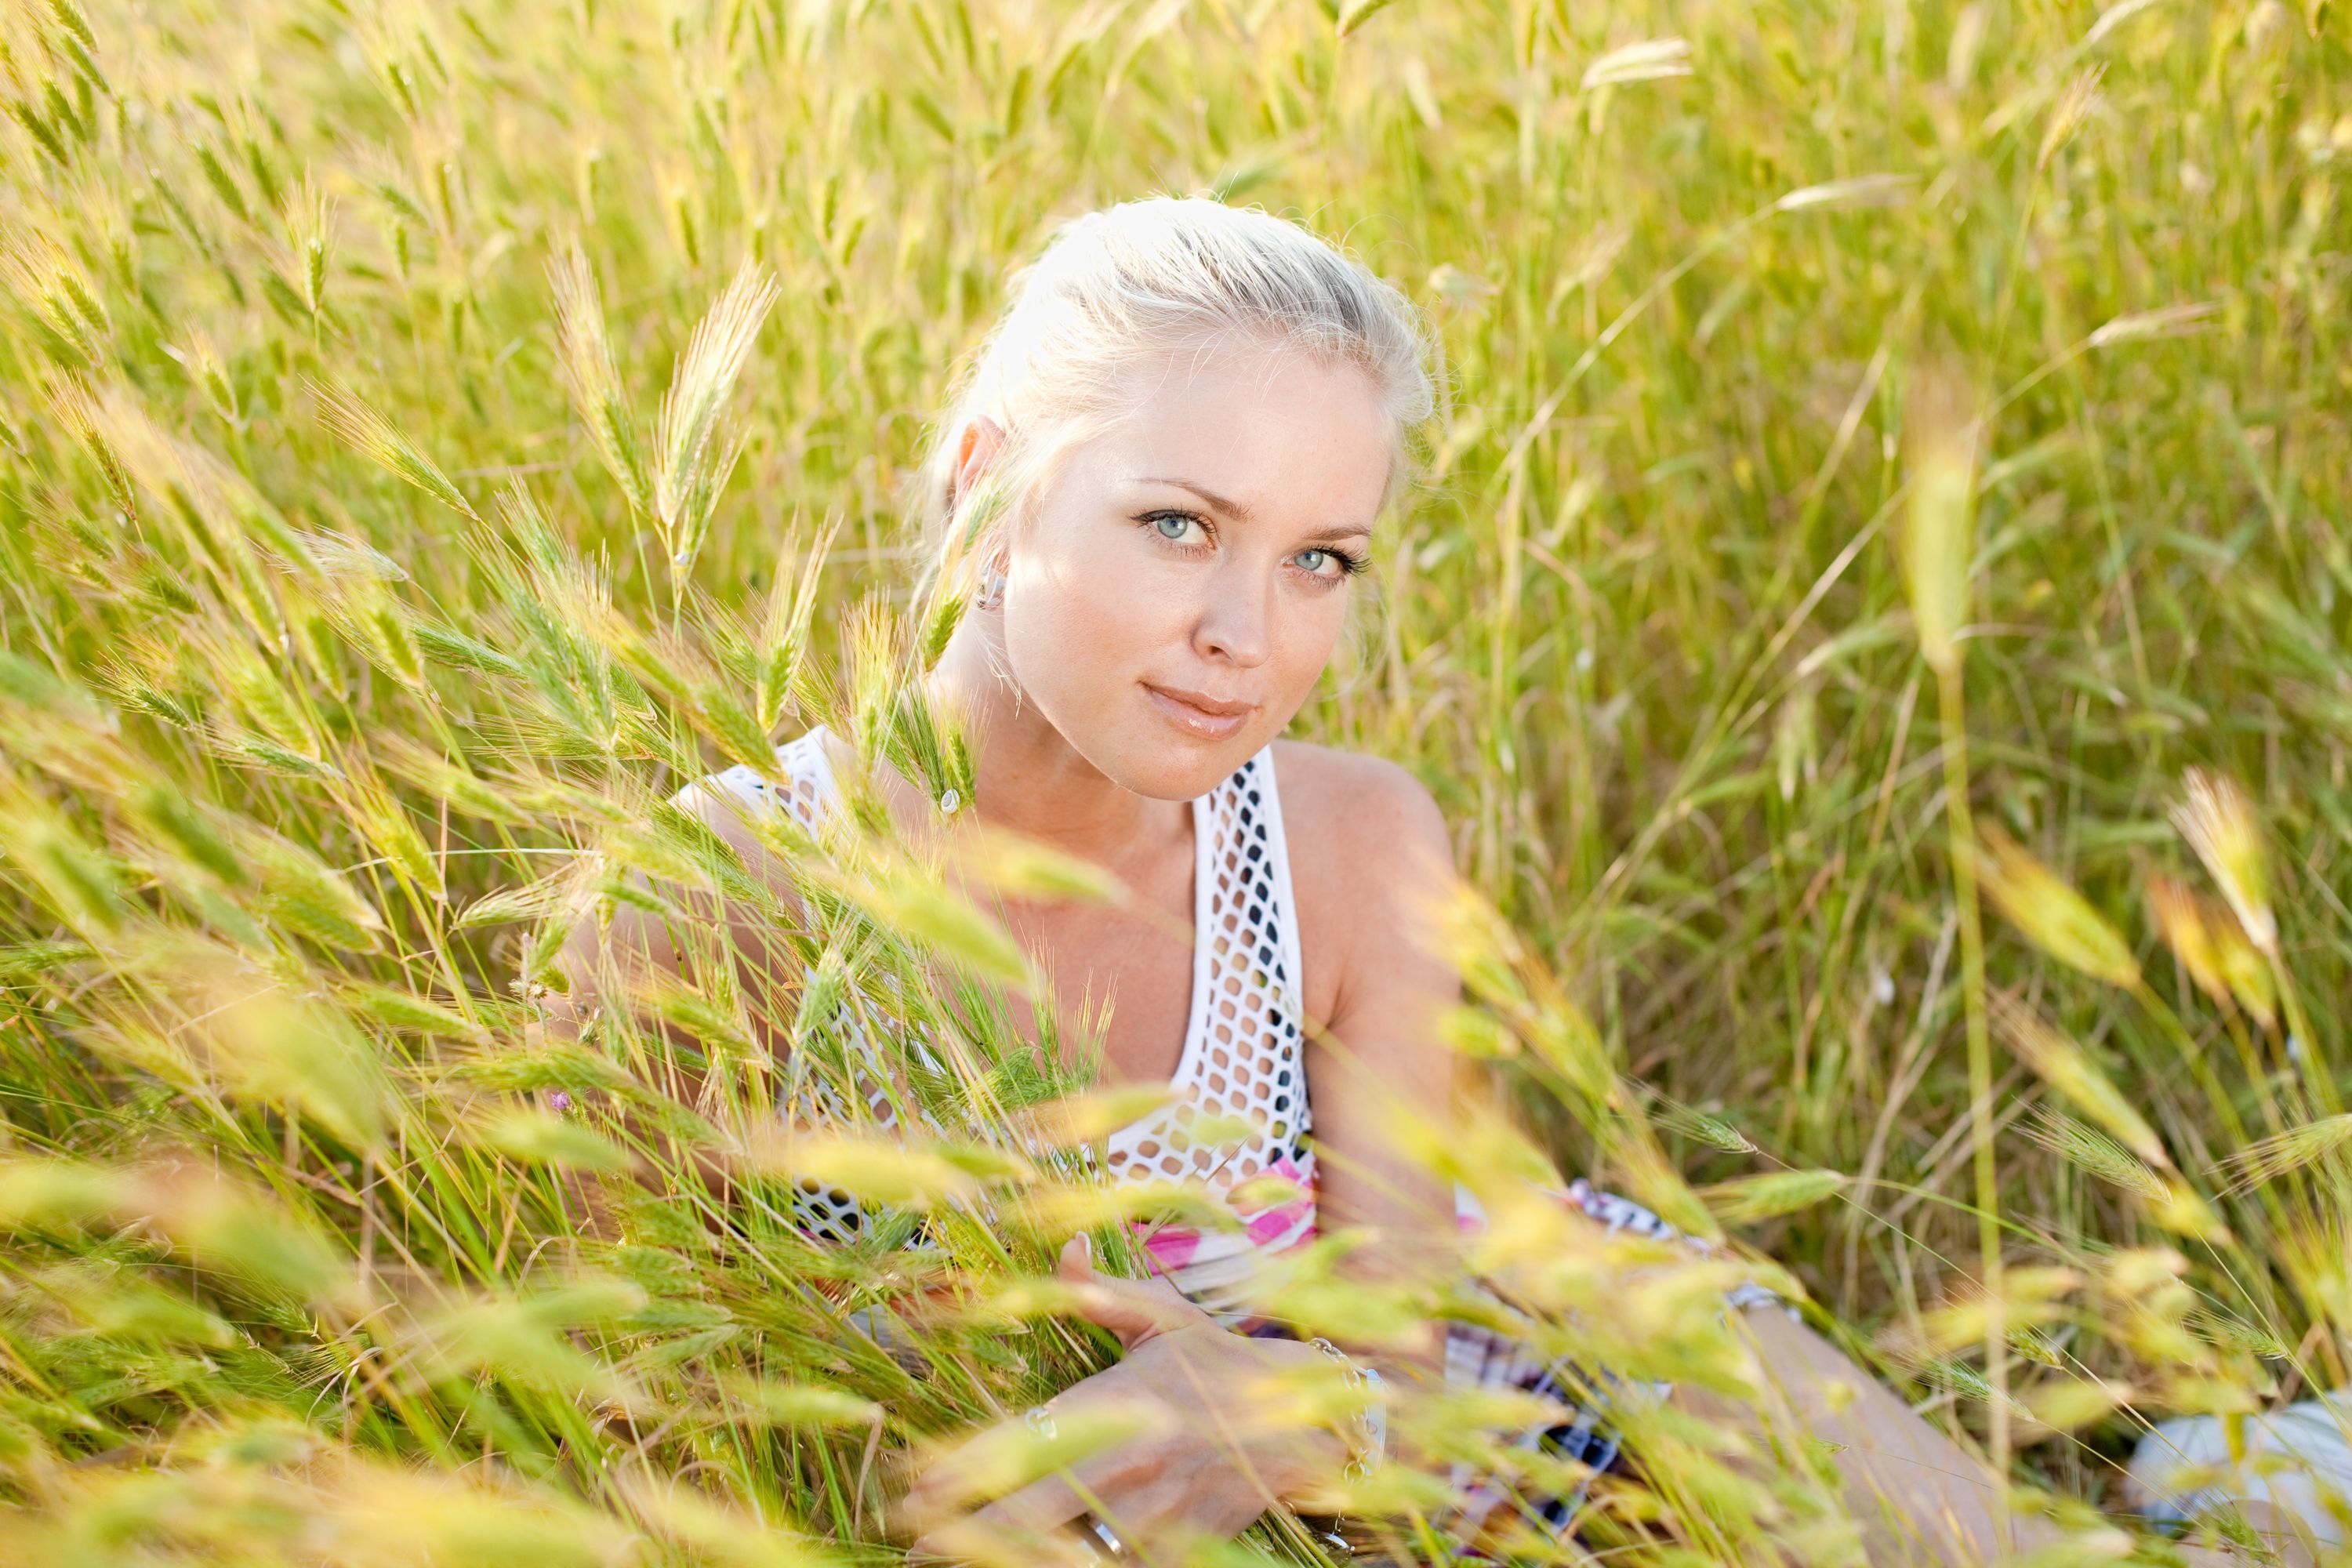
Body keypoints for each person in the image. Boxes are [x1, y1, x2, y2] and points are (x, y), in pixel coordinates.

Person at [543, 196, 2314, 1566]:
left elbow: (1396, 1357)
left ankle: (2212, 1496)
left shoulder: (1347, 843)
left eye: (1321, 560)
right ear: (992, 484)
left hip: (1518, 1387)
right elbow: (635, 1421)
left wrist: (1273, 1398)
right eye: (1181, 524)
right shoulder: (726, 897)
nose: (1248, 636)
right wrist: (1049, 1451)